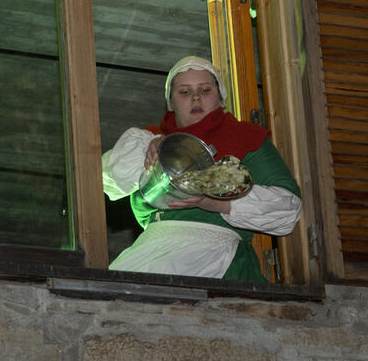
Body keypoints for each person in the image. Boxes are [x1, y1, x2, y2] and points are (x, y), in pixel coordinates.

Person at [101, 56, 302, 282]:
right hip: (152, 247)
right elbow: (107, 181)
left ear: (220, 98)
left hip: (217, 254)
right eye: (184, 92)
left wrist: (213, 201)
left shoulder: (246, 139)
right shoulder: (150, 142)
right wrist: (156, 143)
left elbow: (288, 208)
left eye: (205, 90)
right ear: (171, 102)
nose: (196, 97)